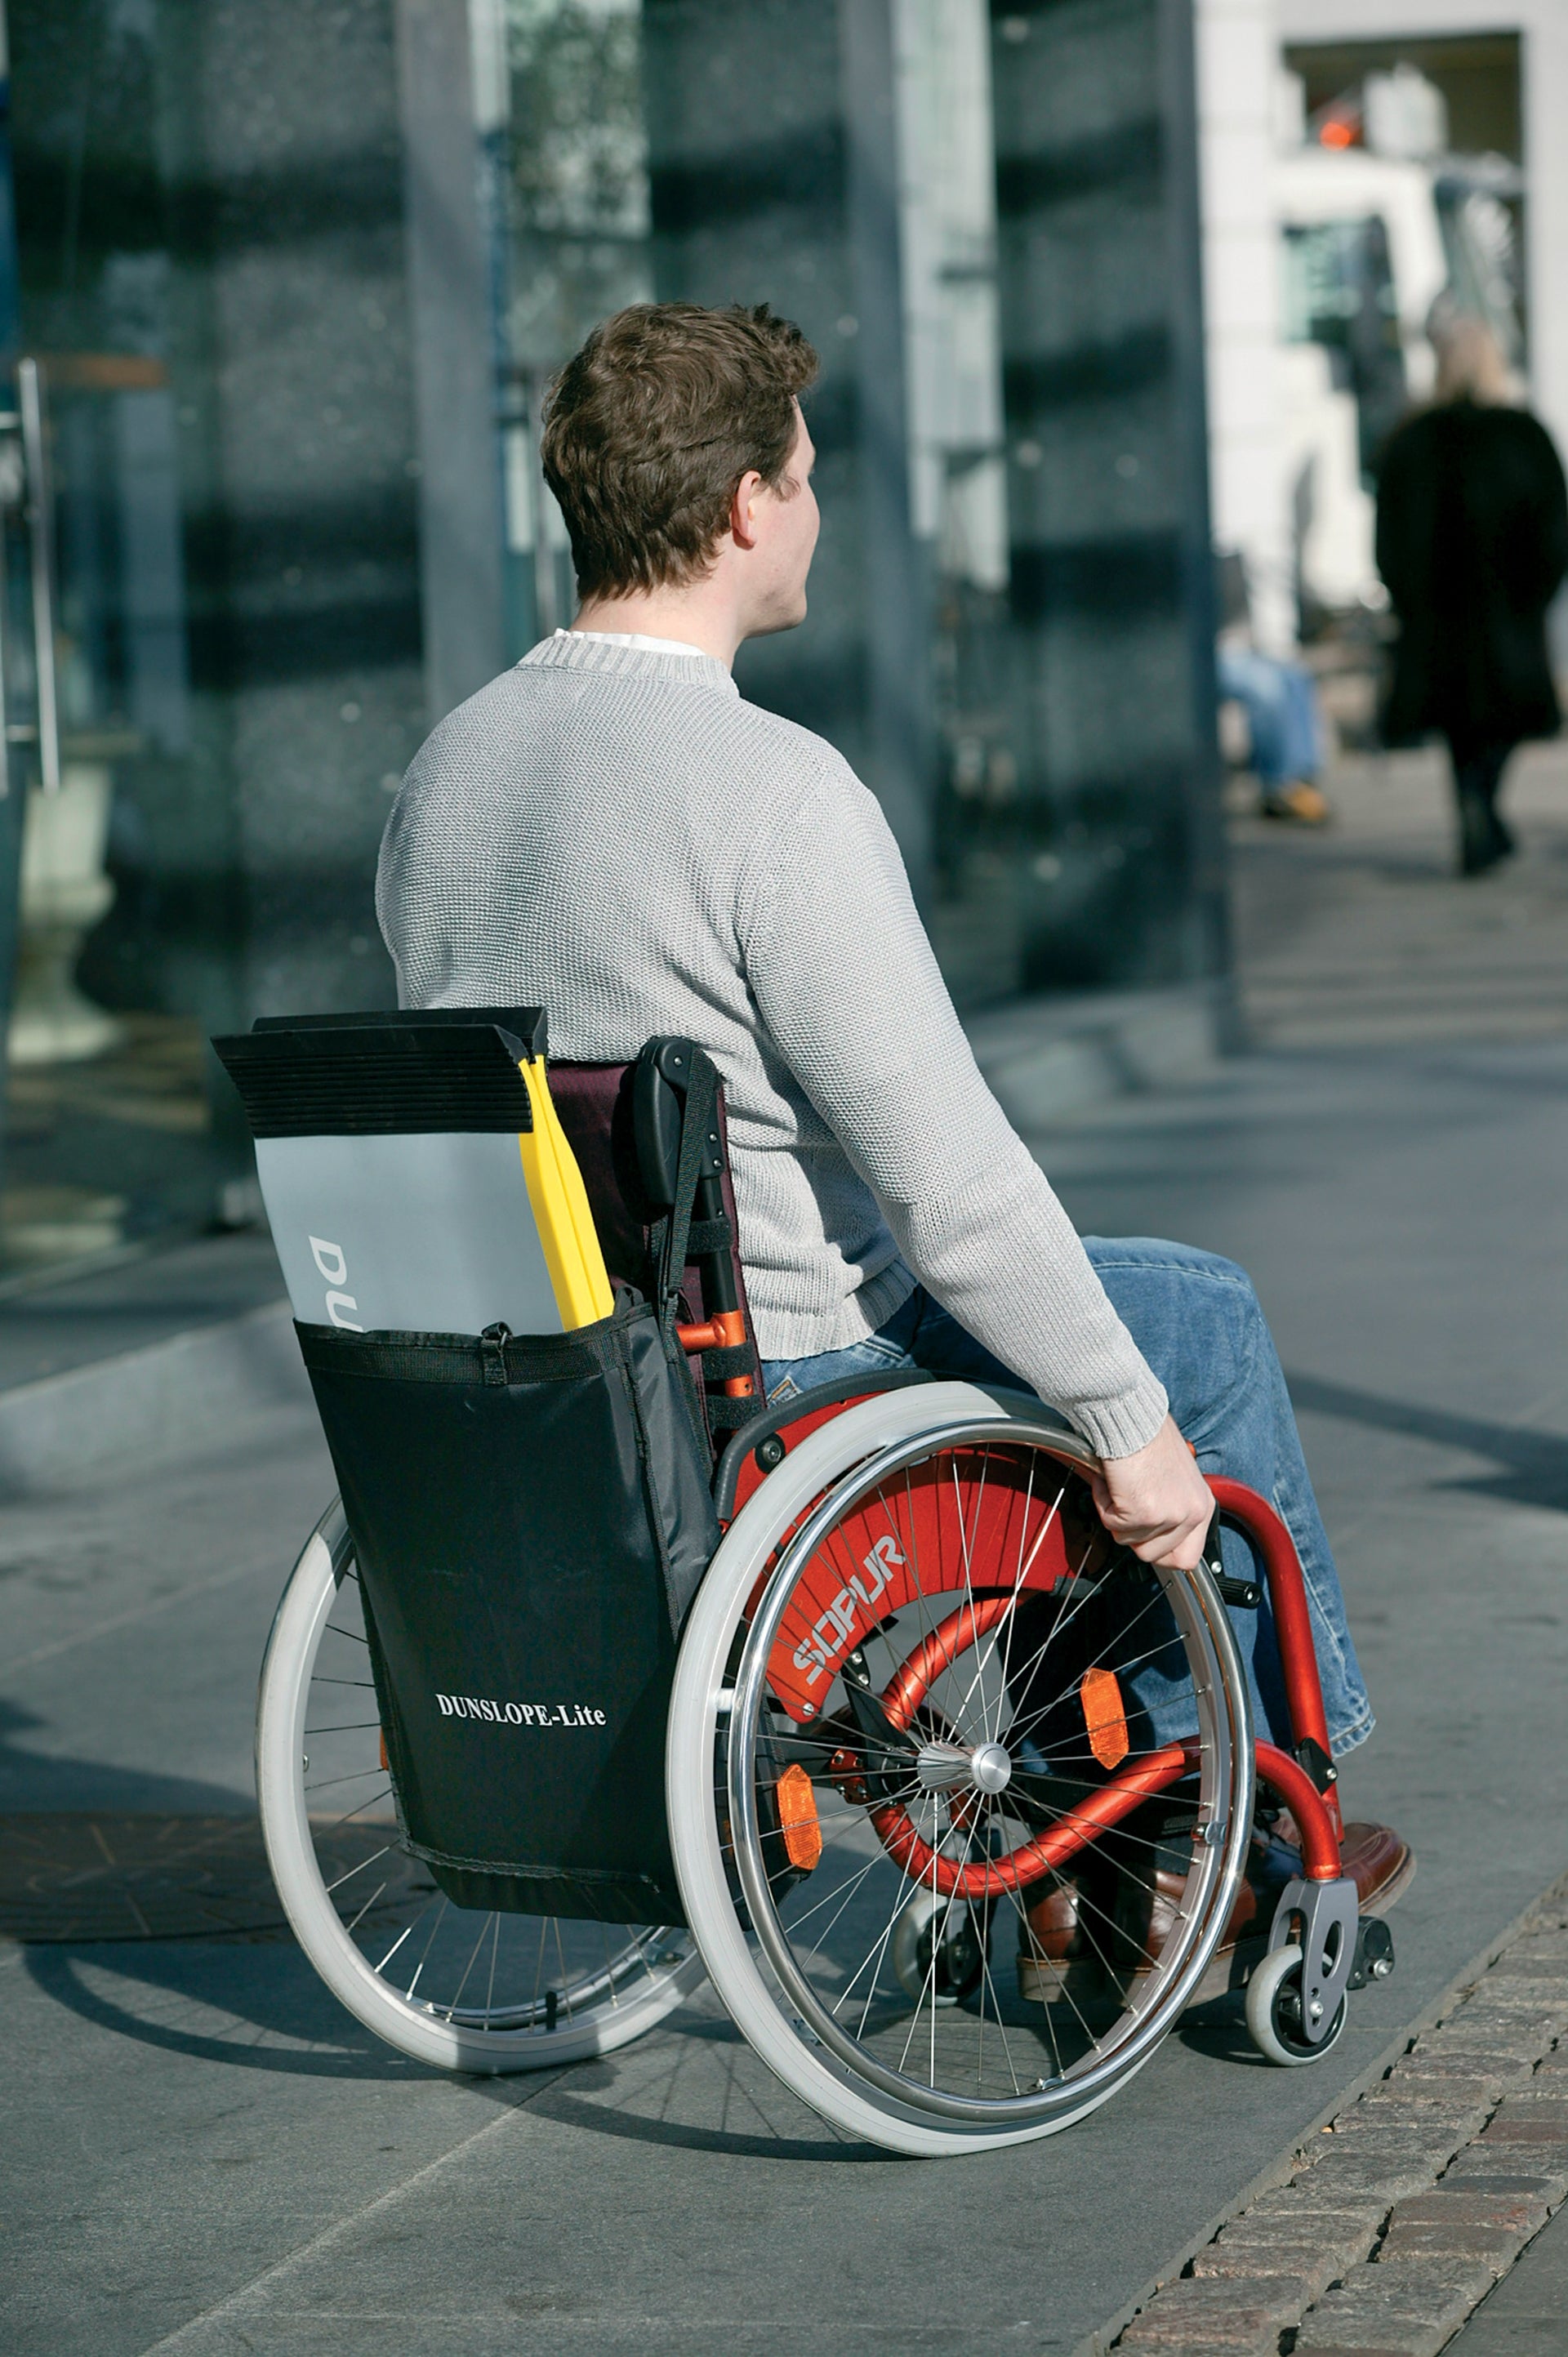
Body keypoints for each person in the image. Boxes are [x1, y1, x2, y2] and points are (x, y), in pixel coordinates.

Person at [376, 301, 1410, 1994]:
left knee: (1103, 1325)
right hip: (784, 1367)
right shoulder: (772, 794)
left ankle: (1111, 1821)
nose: (820, 507)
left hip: (562, 1369)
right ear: (741, 512)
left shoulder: (449, 770)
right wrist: (1129, 1428)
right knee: (1192, 1326)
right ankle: (1235, 1816)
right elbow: (954, 1188)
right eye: (806, 474)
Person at [1376, 314, 1568, 876]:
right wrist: (1537, 591)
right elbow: (1554, 524)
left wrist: (1406, 597)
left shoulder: (1412, 440)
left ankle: (1474, 806)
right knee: (1504, 719)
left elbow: (1389, 535)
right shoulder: (1521, 435)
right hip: (1507, 612)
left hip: (1441, 615)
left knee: (1459, 723)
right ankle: (1483, 806)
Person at [1214, 549, 1330, 825]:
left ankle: (1300, 777)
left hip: (1232, 645)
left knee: (1295, 675)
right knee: (1266, 687)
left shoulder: (1225, 553)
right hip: (1200, 656)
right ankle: (1277, 784)